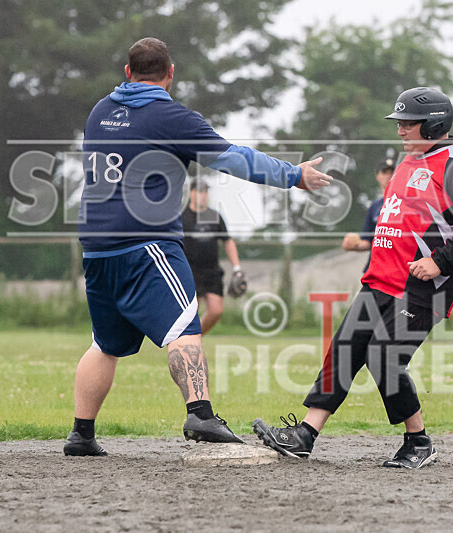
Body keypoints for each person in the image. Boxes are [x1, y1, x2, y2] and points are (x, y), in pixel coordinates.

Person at [65, 37, 331, 456]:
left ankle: (81, 434)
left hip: (97, 245)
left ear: (127, 72)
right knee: (185, 327)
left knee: (105, 343)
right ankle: (201, 413)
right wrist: (293, 175)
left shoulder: (100, 111)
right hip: (146, 242)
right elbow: (233, 158)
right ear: (170, 74)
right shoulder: (170, 115)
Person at [253, 87, 453, 468]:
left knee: (384, 356)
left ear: (434, 125)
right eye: (399, 123)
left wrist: (441, 262)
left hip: (421, 288)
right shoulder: (409, 162)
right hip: (379, 279)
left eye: (408, 123)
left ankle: (419, 442)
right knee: (344, 350)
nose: (400, 131)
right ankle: (305, 434)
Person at [182, 180, 243, 335]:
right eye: (200, 191)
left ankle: (194, 337)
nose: (203, 195)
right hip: (189, 271)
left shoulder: (214, 216)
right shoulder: (183, 217)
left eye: (205, 192)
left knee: (216, 311)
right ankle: (188, 340)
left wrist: (237, 268)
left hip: (211, 271)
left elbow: (227, 241)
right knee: (191, 312)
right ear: (191, 193)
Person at [341, 155, 396, 270]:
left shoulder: (407, 203)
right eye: (385, 172)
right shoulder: (374, 207)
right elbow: (367, 242)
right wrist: (354, 245)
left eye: (393, 172)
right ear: (377, 176)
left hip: (398, 267)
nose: (390, 175)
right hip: (375, 268)